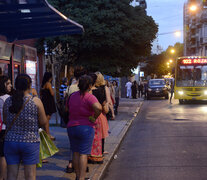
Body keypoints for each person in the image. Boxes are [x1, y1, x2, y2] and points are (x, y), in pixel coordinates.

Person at [3, 74, 47, 180]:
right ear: (30, 85)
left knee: (11, 175)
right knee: (30, 175)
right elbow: (43, 121)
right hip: (30, 142)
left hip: (10, 141)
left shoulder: (8, 101)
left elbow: (5, 121)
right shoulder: (36, 101)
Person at [67, 75, 102, 180]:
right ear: (90, 86)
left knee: (75, 152)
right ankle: (82, 178)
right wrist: (94, 117)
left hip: (72, 127)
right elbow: (99, 107)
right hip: (86, 128)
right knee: (83, 154)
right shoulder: (89, 96)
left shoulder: (72, 96)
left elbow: (67, 108)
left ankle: (77, 176)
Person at [65, 67, 86, 174]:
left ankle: (70, 164)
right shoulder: (83, 88)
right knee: (82, 149)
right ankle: (82, 168)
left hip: (71, 118)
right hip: (83, 119)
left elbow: (67, 103)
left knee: (72, 145)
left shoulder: (70, 87)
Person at [88, 73, 109, 164]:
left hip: (89, 116)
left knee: (91, 137)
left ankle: (90, 155)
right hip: (99, 116)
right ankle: (98, 155)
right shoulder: (100, 92)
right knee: (99, 136)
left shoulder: (87, 92)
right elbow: (104, 107)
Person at [0, 75, 12, 180]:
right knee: (3, 155)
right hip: (4, 129)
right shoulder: (8, 98)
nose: (10, 85)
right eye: (8, 83)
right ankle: (2, 177)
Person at [95, 72, 110, 154]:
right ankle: (101, 150)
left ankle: (95, 151)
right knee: (102, 133)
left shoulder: (90, 89)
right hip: (100, 114)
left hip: (92, 114)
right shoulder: (103, 89)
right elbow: (106, 102)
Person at [40, 72, 56, 141]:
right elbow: (52, 93)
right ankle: (48, 134)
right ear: (50, 77)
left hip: (44, 102)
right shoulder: (48, 84)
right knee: (47, 119)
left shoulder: (43, 85)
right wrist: (53, 89)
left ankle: (46, 133)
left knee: (46, 118)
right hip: (49, 103)